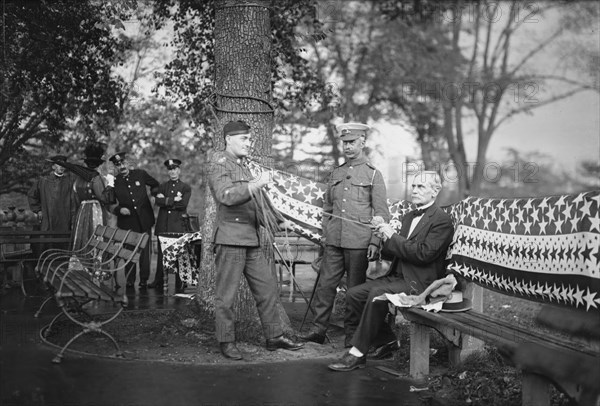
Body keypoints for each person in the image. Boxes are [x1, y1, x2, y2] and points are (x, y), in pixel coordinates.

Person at [328, 171, 454, 371]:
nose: (415, 190)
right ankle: (386, 340)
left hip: (419, 283)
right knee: (353, 294)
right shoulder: (408, 217)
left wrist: (392, 236)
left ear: (435, 191)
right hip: (397, 276)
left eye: (421, 187)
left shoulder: (442, 221)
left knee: (377, 295)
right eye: (413, 186)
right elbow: (395, 251)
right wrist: (382, 236)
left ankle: (357, 353)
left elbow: (423, 255)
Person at [208, 120, 304, 360]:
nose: (249, 144)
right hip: (230, 239)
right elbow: (226, 196)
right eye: (244, 139)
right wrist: (256, 183)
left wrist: (278, 221)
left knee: (267, 289)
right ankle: (226, 341)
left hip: (250, 239)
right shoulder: (219, 164)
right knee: (226, 297)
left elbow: (258, 205)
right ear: (228, 139)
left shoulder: (246, 167)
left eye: (249, 139)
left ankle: (274, 337)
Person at [300, 122, 390, 346]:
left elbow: (381, 212)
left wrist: (375, 241)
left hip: (359, 243)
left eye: (352, 142)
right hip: (334, 242)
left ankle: (352, 336)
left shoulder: (373, 175)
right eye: (345, 143)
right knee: (324, 286)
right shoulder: (336, 173)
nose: (348, 147)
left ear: (363, 142)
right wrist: (325, 235)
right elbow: (327, 209)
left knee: (354, 291)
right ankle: (318, 330)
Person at [106, 152, 159, 289]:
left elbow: (155, 184)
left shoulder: (140, 174)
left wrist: (154, 195)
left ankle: (144, 280)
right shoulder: (115, 181)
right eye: (118, 165)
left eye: (123, 163)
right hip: (127, 222)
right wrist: (119, 210)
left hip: (144, 220)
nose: (121, 166)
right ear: (116, 167)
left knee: (145, 254)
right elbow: (109, 202)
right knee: (129, 252)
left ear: (127, 162)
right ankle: (130, 280)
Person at [148, 158, 191, 292]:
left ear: (179, 170)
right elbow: (157, 201)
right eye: (170, 169)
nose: (172, 172)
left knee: (178, 254)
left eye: (175, 169)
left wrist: (165, 201)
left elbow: (183, 205)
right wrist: (173, 200)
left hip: (177, 224)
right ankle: (158, 280)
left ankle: (180, 282)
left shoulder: (185, 187)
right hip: (163, 225)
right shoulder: (163, 186)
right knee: (162, 254)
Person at [27, 155, 78, 251]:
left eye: (63, 165)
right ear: (53, 166)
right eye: (59, 165)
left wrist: (73, 219)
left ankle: (61, 264)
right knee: (46, 244)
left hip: (63, 220)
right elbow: (31, 194)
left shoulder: (69, 182)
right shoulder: (43, 180)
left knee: (62, 247)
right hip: (47, 218)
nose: (61, 167)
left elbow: (73, 203)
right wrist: (38, 210)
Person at [70, 142, 112, 252]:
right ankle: (95, 261)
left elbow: (75, 197)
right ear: (98, 164)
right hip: (95, 210)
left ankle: (81, 261)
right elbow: (103, 198)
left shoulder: (78, 179)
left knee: (82, 234)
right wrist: (109, 187)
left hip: (82, 210)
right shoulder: (96, 178)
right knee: (95, 232)